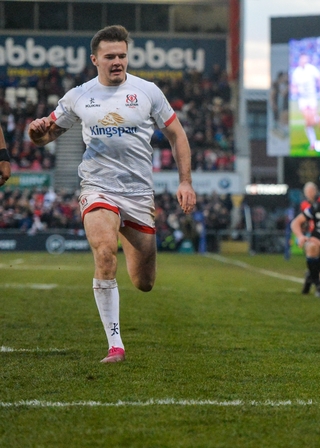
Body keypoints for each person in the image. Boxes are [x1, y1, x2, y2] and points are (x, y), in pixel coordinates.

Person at [27, 25, 196, 363]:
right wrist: (36, 133)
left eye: (122, 55)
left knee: (144, 282)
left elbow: (177, 135)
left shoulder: (148, 91)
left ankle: (140, 255)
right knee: (105, 252)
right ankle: (115, 345)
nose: (117, 61)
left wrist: (185, 182)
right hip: (98, 187)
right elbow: (46, 136)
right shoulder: (78, 96)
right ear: (95, 60)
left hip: (138, 193)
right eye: (110, 56)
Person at [291, 54, 320, 151]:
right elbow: (293, 85)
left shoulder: (311, 69)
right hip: (302, 99)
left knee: (312, 121)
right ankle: (313, 143)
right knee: (308, 121)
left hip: (312, 97)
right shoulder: (296, 72)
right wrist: (295, 90)